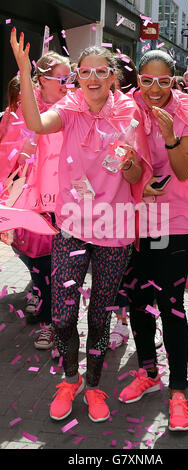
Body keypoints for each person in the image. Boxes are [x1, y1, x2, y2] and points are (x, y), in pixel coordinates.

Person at [10, 28, 151, 423]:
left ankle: (93, 385)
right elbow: (37, 124)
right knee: (63, 316)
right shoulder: (69, 111)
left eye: (100, 71)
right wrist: (25, 70)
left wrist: (130, 165)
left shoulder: (128, 113)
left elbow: (140, 170)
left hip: (115, 228)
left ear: (112, 77)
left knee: (100, 315)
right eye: (85, 71)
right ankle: (68, 380)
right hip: (72, 227)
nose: (92, 78)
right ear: (78, 78)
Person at [117, 50, 188, 432]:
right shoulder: (126, 108)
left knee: (169, 301)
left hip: (174, 221)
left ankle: (178, 391)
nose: (155, 89)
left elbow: (182, 171)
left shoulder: (186, 111)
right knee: (137, 298)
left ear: (174, 80)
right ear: (139, 80)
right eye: (147, 80)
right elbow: (126, 171)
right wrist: (131, 172)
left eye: (164, 81)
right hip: (135, 220)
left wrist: (168, 135)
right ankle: (148, 371)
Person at [0, 49, 72, 353]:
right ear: (42, 80)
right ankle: (47, 323)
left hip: (70, 203)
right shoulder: (23, 111)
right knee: (41, 264)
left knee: (65, 269)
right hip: (35, 203)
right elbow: (8, 158)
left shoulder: (75, 106)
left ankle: (59, 322)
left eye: (71, 78)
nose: (68, 84)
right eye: (62, 78)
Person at [109, 53, 163, 350]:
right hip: (116, 209)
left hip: (153, 209)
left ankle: (144, 322)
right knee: (121, 271)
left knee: (146, 272)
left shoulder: (157, 108)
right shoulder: (111, 110)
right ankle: (121, 321)